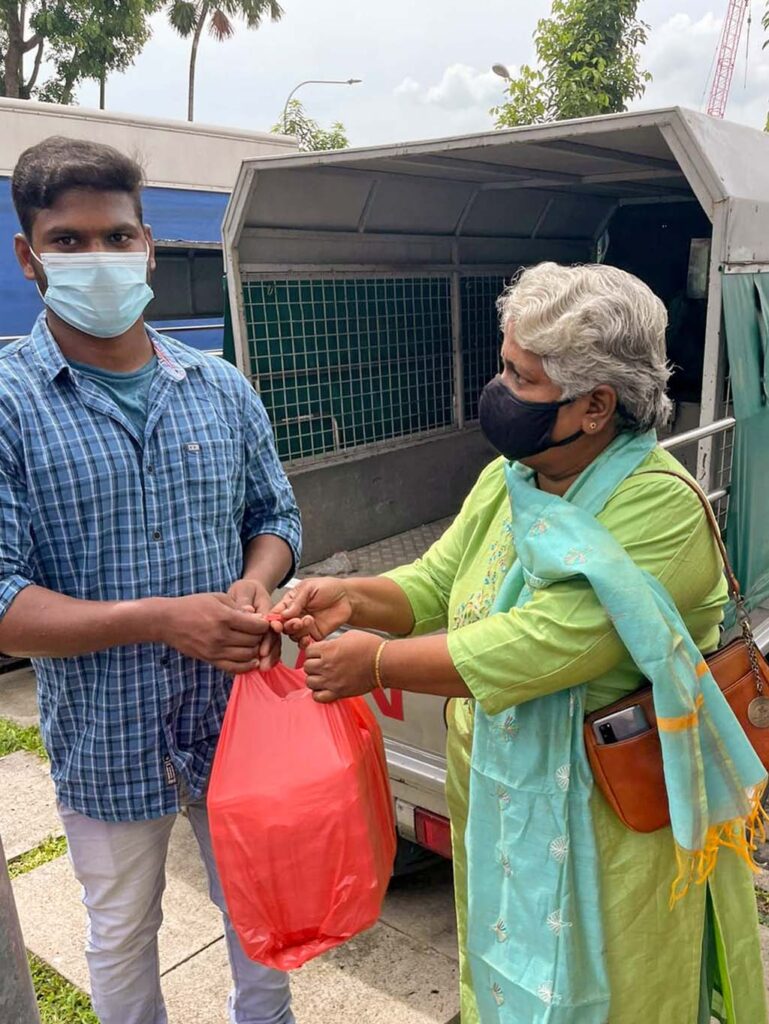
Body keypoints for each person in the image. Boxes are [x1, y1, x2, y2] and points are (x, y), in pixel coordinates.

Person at [274, 263, 767, 1024]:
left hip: (607, 819)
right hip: (504, 800)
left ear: (595, 405)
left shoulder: (658, 507)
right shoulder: (515, 476)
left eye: (518, 375)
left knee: (613, 988)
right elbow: (436, 582)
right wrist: (349, 598)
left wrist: (373, 663)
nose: (496, 388)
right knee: (508, 968)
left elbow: (545, 646)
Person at [0, 136, 301, 1024]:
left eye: (118, 236)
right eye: (70, 241)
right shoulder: (8, 403)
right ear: (29, 255)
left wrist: (255, 582)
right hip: (105, 740)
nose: (100, 258)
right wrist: (162, 619)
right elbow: (4, 604)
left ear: (149, 246)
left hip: (235, 723)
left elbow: (275, 519)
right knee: (122, 931)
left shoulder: (218, 386)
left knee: (258, 913)